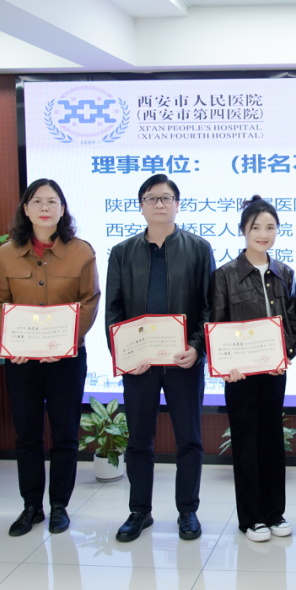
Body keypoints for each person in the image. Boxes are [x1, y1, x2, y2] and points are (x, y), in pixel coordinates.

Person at [0, 178, 100, 537]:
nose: (45, 207)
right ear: (26, 209)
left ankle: (59, 506)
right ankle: (31, 506)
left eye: (52, 201)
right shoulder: (5, 254)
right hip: (22, 360)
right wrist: (13, 341)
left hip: (67, 358)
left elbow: (90, 301)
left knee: (65, 434)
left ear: (63, 209)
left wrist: (63, 342)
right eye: (37, 201)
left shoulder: (81, 252)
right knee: (28, 435)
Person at [105, 173, 214, 543]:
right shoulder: (122, 252)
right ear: (141, 206)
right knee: (139, 440)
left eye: (167, 198)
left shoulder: (198, 248)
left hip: (184, 361)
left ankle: (188, 511)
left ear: (177, 205)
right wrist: (124, 355)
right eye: (151, 198)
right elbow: (113, 311)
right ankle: (139, 511)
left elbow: (209, 307)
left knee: (190, 440)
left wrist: (197, 347)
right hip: (140, 365)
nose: (159, 204)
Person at [209, 195, 296, 542]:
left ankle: (275, 513)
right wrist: (226, 366)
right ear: (243, 230)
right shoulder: (225, 275)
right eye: (256, 227)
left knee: (272, 439)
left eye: (270, 227)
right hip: (240, 375)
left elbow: (291, 321)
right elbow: (217, 324)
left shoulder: (284, 272)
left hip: (274, 372)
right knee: (246, 441)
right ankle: (251, 519)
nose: (264, 234)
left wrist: (287, 353)